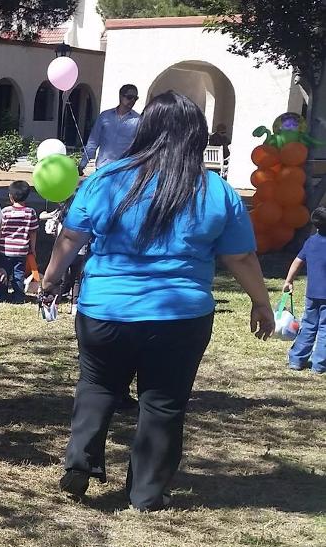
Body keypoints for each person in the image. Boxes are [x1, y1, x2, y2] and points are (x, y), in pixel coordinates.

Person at [41, 91, 274, 511]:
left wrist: (52, 280)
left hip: (104, 309)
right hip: (180, 316)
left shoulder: (104, 179)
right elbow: (239, 256)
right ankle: (147, 492)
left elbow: (71, 237)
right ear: (196, 137)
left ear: (146, 129)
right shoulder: (216, 190)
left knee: (96, 385)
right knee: (163, 402)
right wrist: (261, 302)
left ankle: (79, 461)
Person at [284, 207, 326, 373]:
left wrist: (289, 280)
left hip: (312, 294)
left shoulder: (310, 242)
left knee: (308, 325)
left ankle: (296, 359)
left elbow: (297, 261)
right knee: (324, 329)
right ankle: (319, 364)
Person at [80, 84, 140, 172]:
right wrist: (83, 164)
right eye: (129, 97)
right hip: (102, 168)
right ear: (121, 96)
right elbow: (93, 141)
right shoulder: (105, 116)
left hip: (123, 170)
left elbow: (139, 147)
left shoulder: (138, 120)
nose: (132, 100)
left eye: (135, 98)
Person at [0, 181, 38, 303]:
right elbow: (33, 232)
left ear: (10, 196)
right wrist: (33, 248)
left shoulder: (5, 212)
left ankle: (2, 294)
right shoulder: (30, 212)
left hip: (5, 248)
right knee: (19, 274)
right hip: (21, 249)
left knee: (4, 272)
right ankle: (19, 296)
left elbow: (0, 230)